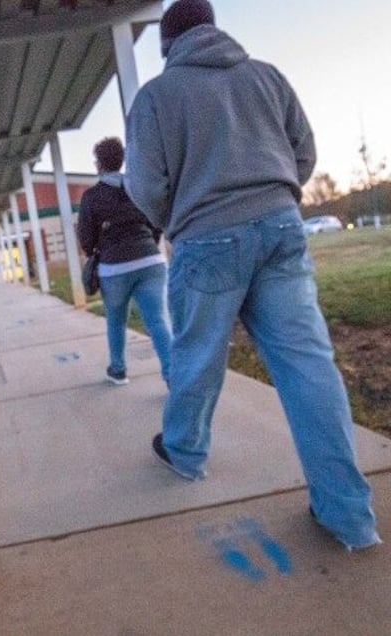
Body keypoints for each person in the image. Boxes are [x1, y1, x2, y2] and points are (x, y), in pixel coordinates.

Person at [124, 0, 380, 549]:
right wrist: (276, 192)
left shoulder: (156, 98)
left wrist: (179, 221)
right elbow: (304, 153)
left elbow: (144, 186)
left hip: (205, 240)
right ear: (215, 30)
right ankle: (349, 517)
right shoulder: (267, 77)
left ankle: (187, 453)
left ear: (167, 46)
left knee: (198, 357)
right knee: (309, 366)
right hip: (283, 230)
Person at [78, 137, 172, 386]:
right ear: (122, 160)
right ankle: (174, 375)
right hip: (152, 261)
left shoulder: (92, 196)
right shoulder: (137, 189)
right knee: (158, 321)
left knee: (117, 320)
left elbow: (86, 238)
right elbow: (156, 221)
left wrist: (98, 251)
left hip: (114, 267)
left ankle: (118, 370)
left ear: (99, 164)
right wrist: (146, 244)